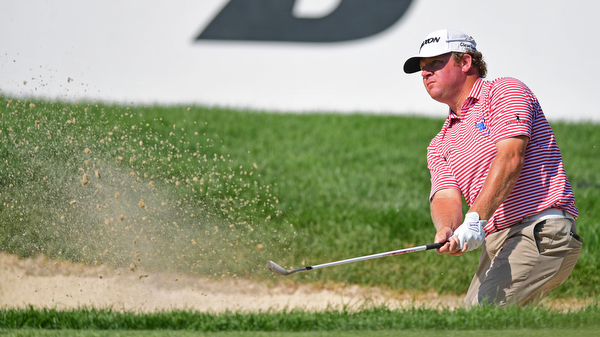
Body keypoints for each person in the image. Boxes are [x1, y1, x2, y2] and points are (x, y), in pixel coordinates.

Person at [403, 29, 582, 307]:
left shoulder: (503, 91)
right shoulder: (440, 142)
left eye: (436, 63)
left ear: (465, 62)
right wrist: (447, 230)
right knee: (475, 317)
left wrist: (474, 220)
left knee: (479, 318)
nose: (426, 73)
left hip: (538, 230)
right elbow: (446, 195)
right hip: (497, 242)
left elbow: (511, 158)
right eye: (423, 69)